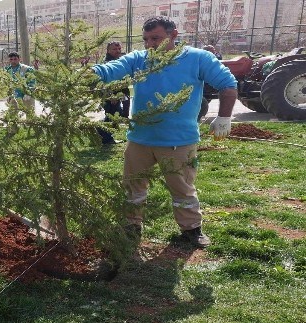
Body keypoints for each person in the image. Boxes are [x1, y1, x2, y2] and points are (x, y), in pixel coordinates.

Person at [91, 16, 238, 248]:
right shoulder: (139, 59)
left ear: (174, 35)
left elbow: (228, 85)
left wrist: (224, 118)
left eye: (156, 38)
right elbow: (111, 69)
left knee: (182, 188)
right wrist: (88, 74)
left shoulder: (198, 58)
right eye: (146, 39)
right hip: (140, 139)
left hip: (178, 141)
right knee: (133, 186)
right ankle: (131, 226)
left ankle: (192, 230)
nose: (150, 44)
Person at [97, 41, 131, 145]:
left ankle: (102, 135)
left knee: (115, 115)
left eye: (119, 49)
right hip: (111, 95)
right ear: (108, 51)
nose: (118, 51)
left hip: (120, 93)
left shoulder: (119, 61)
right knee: (113, 115)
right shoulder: (108, 63)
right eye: (114, 49)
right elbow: (105, 81)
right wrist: (110, 95)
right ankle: (106, 138)